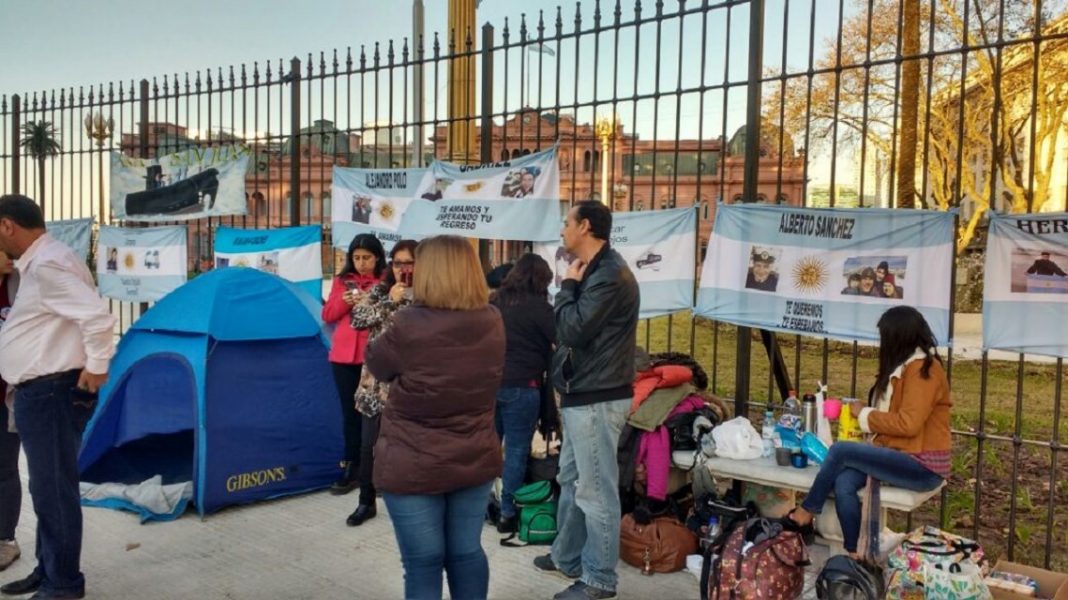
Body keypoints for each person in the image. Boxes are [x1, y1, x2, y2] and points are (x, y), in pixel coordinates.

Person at [365, 235, 504, 600]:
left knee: (424, 562)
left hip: (413, 461)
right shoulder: (492, 319)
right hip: (473, 456)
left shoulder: (408, 323)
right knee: (466, 552)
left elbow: (376, 363)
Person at [0, 194, 116, 600]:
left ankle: (63, 584)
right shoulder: (46, 260)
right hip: (44, 391)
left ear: (6, 226)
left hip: (51, 392)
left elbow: (98, 319)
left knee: (54, 490)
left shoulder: (48, 265)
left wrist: (97, 367)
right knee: (46, 488)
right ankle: (49, 568)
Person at [534, 200, 639, 600]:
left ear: (586, 227)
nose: (562, 230)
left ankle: (599, 579)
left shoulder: (609, 275)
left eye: (567, 223)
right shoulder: (597, 269)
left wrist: (567, 288)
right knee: (571, 479)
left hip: (598, 396)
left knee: (596, 491)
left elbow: (572, 330)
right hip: (583, 393)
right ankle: (567, 556)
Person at [785, 306, 950, 559]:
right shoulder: (906, 368)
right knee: (844, 482)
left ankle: (806, 512)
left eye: (886, 338)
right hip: (900, 453)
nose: (882, 344)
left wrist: (864, 414)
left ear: (899, 337)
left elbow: (909, 424)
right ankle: (856, 553)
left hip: (922, 465)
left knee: (840, 451)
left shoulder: (923, 370)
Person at [345, 239, 418, 527]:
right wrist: (390, 300)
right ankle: (366, 500)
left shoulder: (427, 294)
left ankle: (407, 498)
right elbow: (358, 319)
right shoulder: (381, 290)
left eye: (408, 263)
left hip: (409, 383)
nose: (403, 269)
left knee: (407, 444)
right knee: (368, 444)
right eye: (397, 263)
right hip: (376, 383)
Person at [490, 253, 555, 534]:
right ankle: (508, 513)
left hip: (489, 385)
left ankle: (481, 505)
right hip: (524, 387)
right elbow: (562, 338)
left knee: (488, 447)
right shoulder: (541, 308)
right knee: (516, 451)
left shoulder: (494, 302)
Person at [322, 234, 386, 495]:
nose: (361, 263)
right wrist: (342, 302)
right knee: (350, 414)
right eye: (357, 258)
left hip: (372, 358)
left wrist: (369, 301)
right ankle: (351, 467)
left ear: (378, 258)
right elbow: (327, 315)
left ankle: (376, 470)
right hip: (343, 357)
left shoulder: (385, 282)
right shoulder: (341, 281)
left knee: (375, 416)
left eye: (367, 258)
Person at [0, 252, 19, 572]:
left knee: (5, 467)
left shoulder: (20, 286)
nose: (10, 259)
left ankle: (6, 540)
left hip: (8, 395)